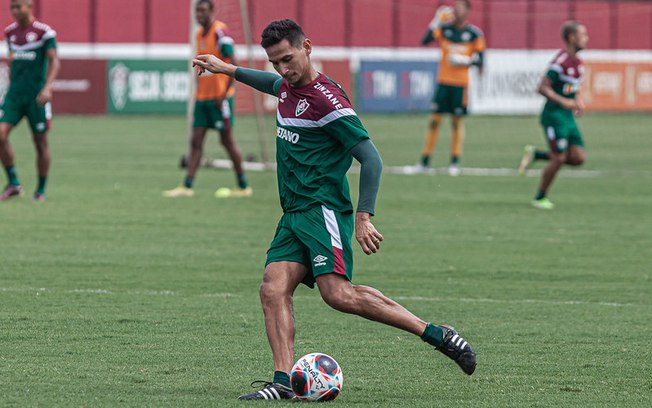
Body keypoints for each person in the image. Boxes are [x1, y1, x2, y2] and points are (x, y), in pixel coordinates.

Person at [192, 19, 477, 401]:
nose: (283, 69)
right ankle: (281, 382)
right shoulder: (288, 87)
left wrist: (364, 216)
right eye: (275, 62)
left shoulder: (327, 100)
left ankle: (436, 334)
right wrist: (227, 68)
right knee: (272, 289)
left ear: (307, 47)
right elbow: (273, 86)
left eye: (288, 59)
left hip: (322, 210)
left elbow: (371, 159)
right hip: (293, 213)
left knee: (338, 295)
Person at [163, 0, 251, 198]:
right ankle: (187, 186)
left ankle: (244, 186)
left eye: (203, 10)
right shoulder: (198, 34)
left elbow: (233, 62)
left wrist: (224, 93)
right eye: (197, 10)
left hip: (220, 99)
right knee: (195, 141)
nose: (199, 14)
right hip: (202, 98)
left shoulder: (221, 32)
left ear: (212, 11)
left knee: (226, 141)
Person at [518, 21, 588, 210]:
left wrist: (578, 102)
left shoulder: (578, 63)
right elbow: (542, 87)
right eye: (583, 35)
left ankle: (536, 154)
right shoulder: (560, 62)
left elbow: (574, 89)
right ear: (572, 38)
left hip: (567, 117)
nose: (586, 39)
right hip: (553, 115)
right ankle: (540, 197)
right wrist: (563, 101)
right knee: (559, 158)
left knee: (578, 157)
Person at [417, 0, 485, 176]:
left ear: (468, 11)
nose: (456, 11)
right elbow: (425, 41)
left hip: (460, 85)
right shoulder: (445, 29)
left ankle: (455, 162)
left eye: (460, 8)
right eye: (455, 8)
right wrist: (436, 20)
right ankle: (424, 162)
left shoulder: (474, 34)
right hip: (443, 82)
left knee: (456, 122)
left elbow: (481, 61)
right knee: (434, 121)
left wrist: (466, 60)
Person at [0, 0, 59, 202]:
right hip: (14, 95)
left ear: (29, 6)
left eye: (19, 6)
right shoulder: (10, 33)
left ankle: (41, 190)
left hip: (37, 97)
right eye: (12, 7)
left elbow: (54, 61)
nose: (15, 11)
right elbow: (12, 61)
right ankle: (14, 183)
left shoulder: (44, 32)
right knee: (0, 134)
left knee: (40, 142)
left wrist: (48, 87)